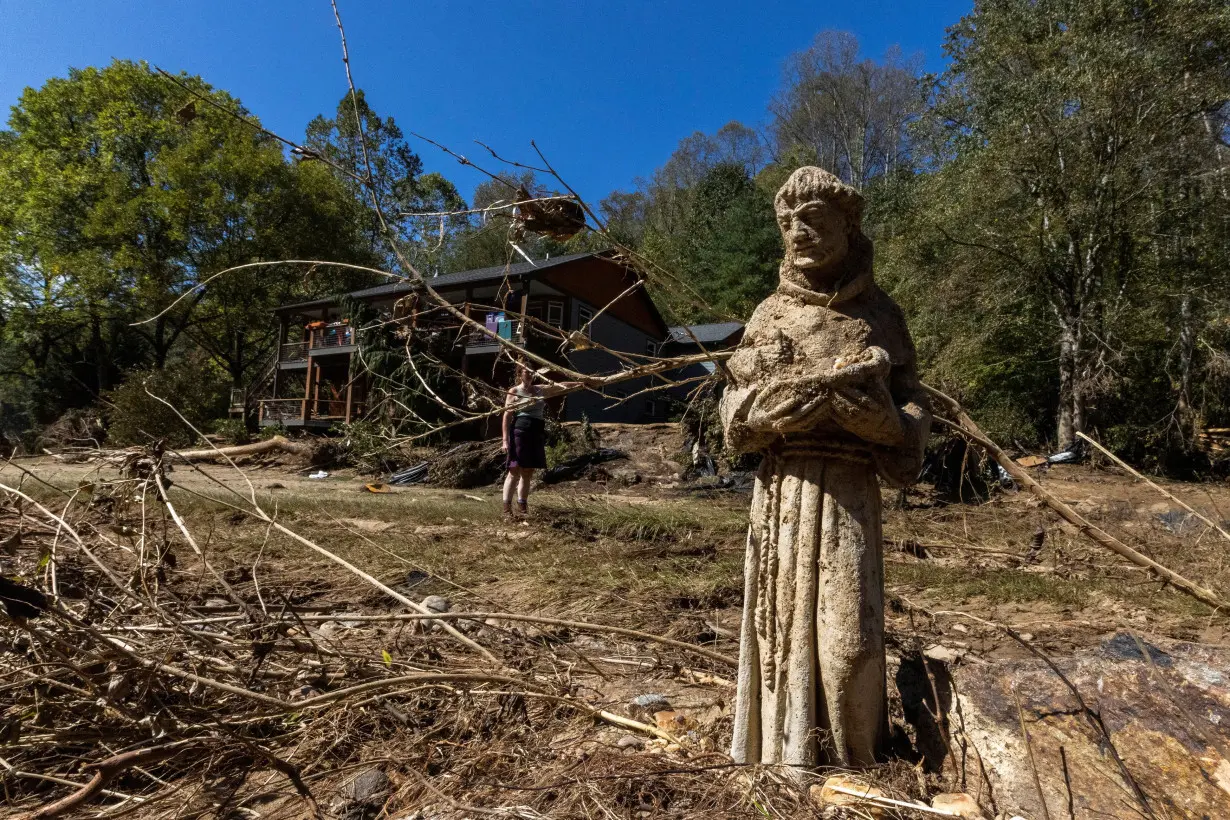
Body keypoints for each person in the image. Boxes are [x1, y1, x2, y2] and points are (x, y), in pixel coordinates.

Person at [501, 364, 581, 516]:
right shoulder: (514, 391)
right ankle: (506, 510)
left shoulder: (539, 389)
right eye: (526, 372)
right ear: (519, 375)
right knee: (514, 469)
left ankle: (522, 508)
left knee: (528, 471)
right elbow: (507, 415)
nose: (530, 375)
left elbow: (560, 386)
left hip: (535, 434)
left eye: (532, 372)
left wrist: (580, 383)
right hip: (519, 434)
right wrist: (505, 441)